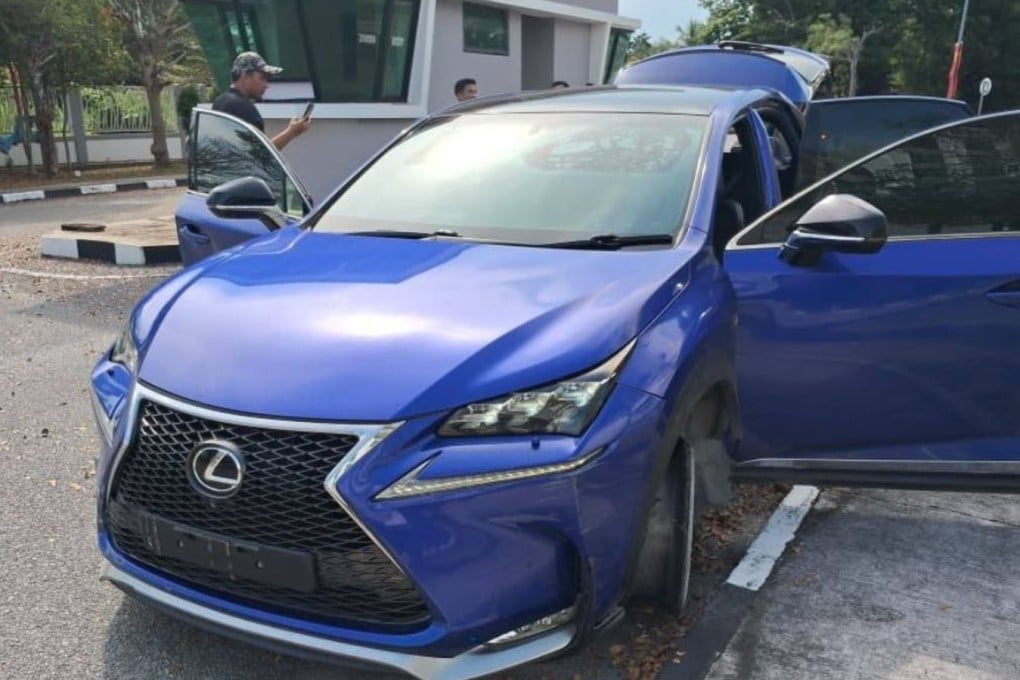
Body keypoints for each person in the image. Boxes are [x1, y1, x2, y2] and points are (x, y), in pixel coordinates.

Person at [213, 51, 310, 150]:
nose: (266, 85)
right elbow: (259, 154)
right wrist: (291, 132)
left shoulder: (220, 101)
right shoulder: (244, 108)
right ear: (245, 76)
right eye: (262, 78)